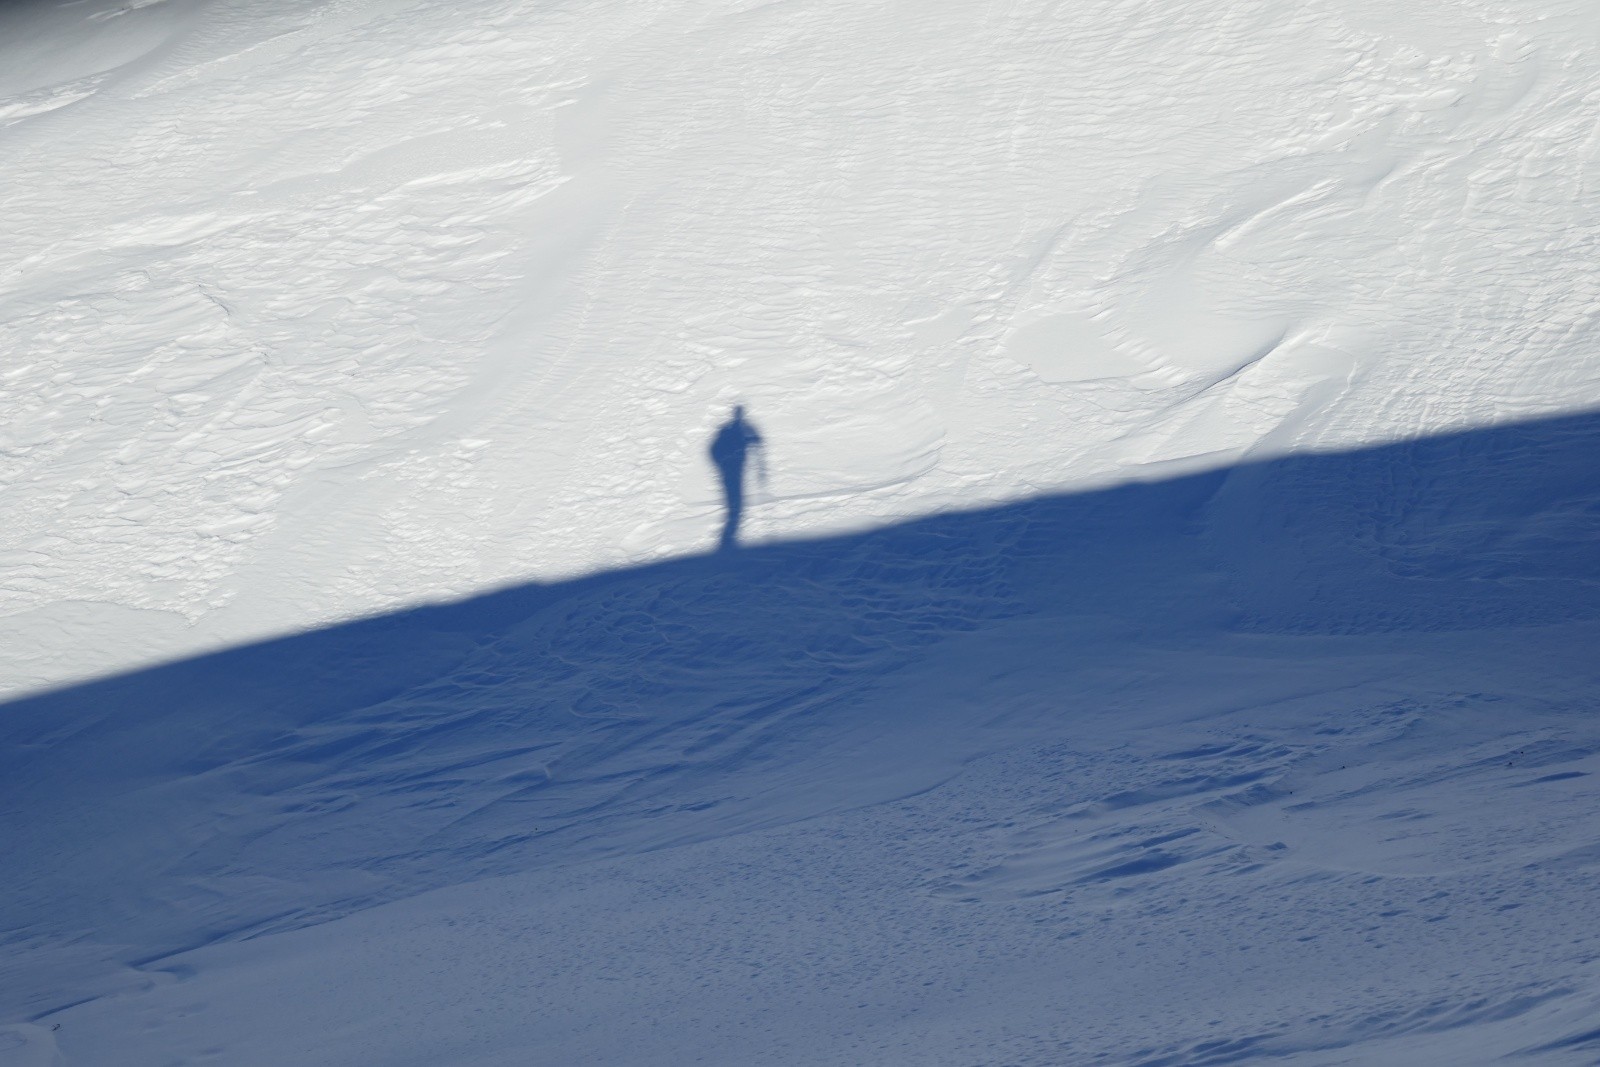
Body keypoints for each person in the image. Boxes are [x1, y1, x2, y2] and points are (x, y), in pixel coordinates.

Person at [708, 404, 765, 551]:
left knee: (736, 503)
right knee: (735, 504)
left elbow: (754, 441)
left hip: (737, 471)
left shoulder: (740, 430)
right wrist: (723, 464)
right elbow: (714, 450)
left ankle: (728, 538)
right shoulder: (728, 431)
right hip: (730, 471)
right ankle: (727, 540)